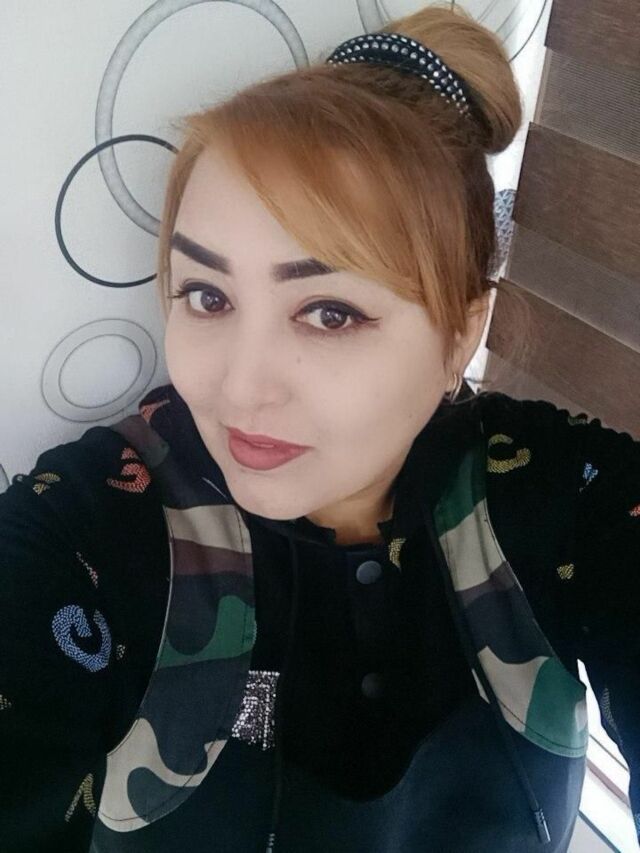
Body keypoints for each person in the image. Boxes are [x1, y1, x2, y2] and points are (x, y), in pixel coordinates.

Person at [1, 4, 639, 852]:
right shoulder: (91, 528)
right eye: (207, 296)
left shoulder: (559, 494)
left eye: (329, 312)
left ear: (461, 333)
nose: (239, 387)